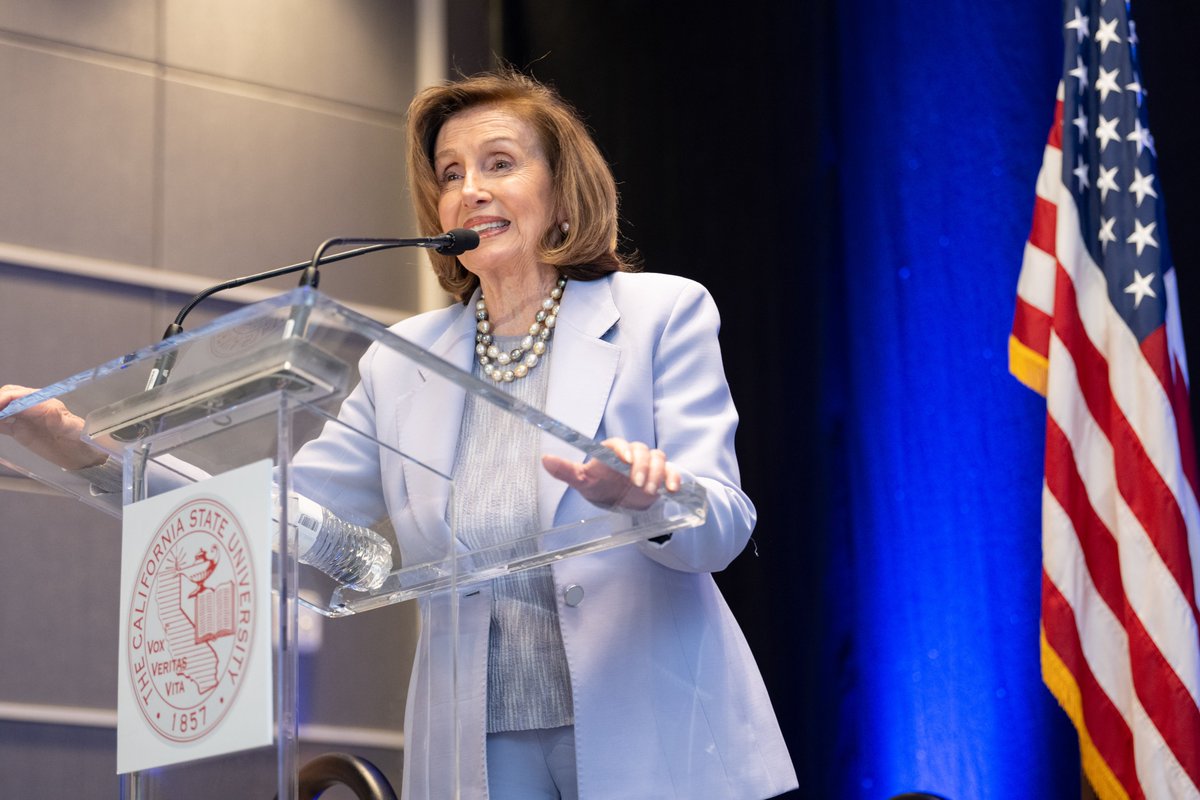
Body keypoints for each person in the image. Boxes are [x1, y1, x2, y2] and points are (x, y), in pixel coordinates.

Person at [1, 70, 797, 799]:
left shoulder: (661, 312)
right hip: (477, 749)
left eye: (499, 164)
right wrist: (96, 458)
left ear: (562, 193)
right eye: (450, 175)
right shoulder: (404, 359)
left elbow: (721, 527)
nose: (470, 191)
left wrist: (648, 499)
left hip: (656, 728)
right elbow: (286, 519)